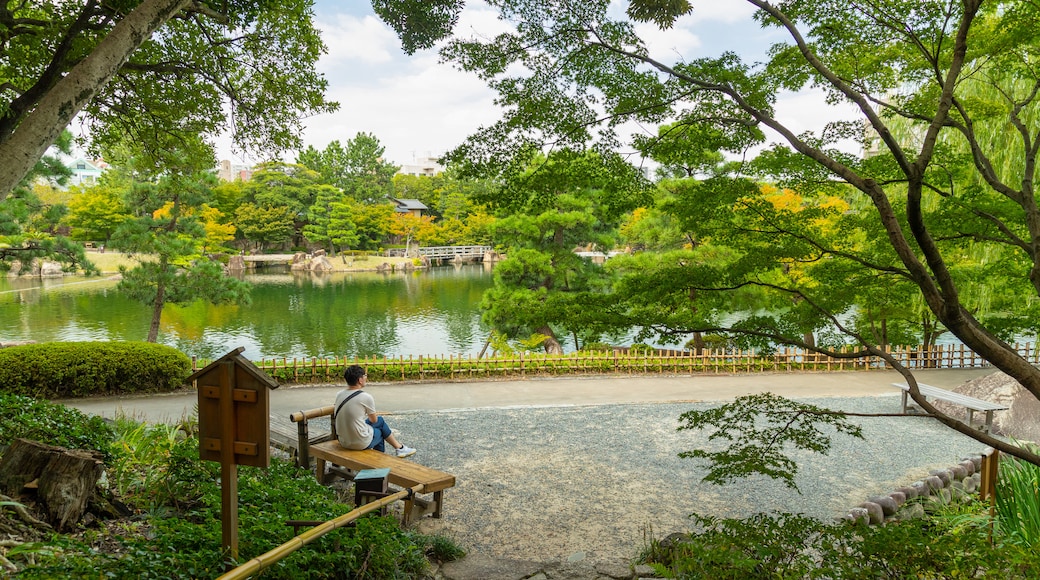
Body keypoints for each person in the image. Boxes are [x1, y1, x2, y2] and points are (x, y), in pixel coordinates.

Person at [333, 365, 416, 458]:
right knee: (380, 431)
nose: (366, 378)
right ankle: (381, 462)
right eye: (365, 376)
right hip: (358, 443)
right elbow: (374, 420)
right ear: (360, 380)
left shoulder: (339, 394)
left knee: (379, 422)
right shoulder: (365, 397)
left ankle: (400, 448)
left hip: (343, 441)